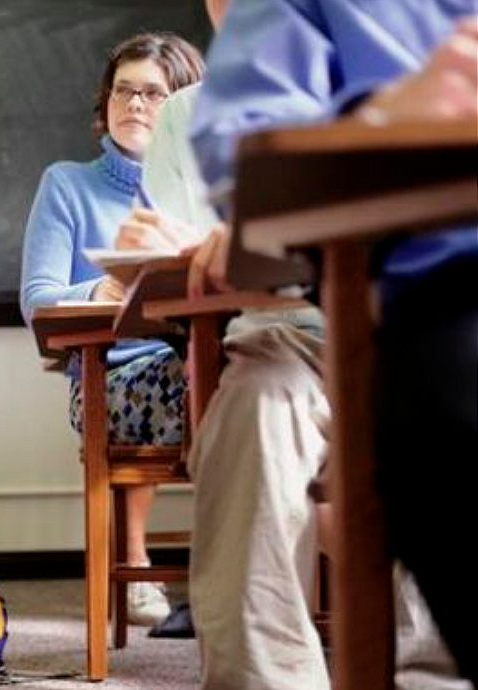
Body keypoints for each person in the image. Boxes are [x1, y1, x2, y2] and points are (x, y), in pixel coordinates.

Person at [180, 1, 477, 687]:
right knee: (261, 402)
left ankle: (432, 669)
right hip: (342, 310)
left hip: (380, 309)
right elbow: (246, 162)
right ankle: (264, 675)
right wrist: (381, 125)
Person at [19, 32, 204, 625]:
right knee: (218, 379)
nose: (134, 104)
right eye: (123, 91)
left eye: (152, 93)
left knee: (267, 370)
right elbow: (37, 300)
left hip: (206, 360)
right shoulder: (67, 183)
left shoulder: (206, 188)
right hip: (112, 378)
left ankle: (249, 567)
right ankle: (191, 565)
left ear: (184, 104)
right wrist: (106, 289)